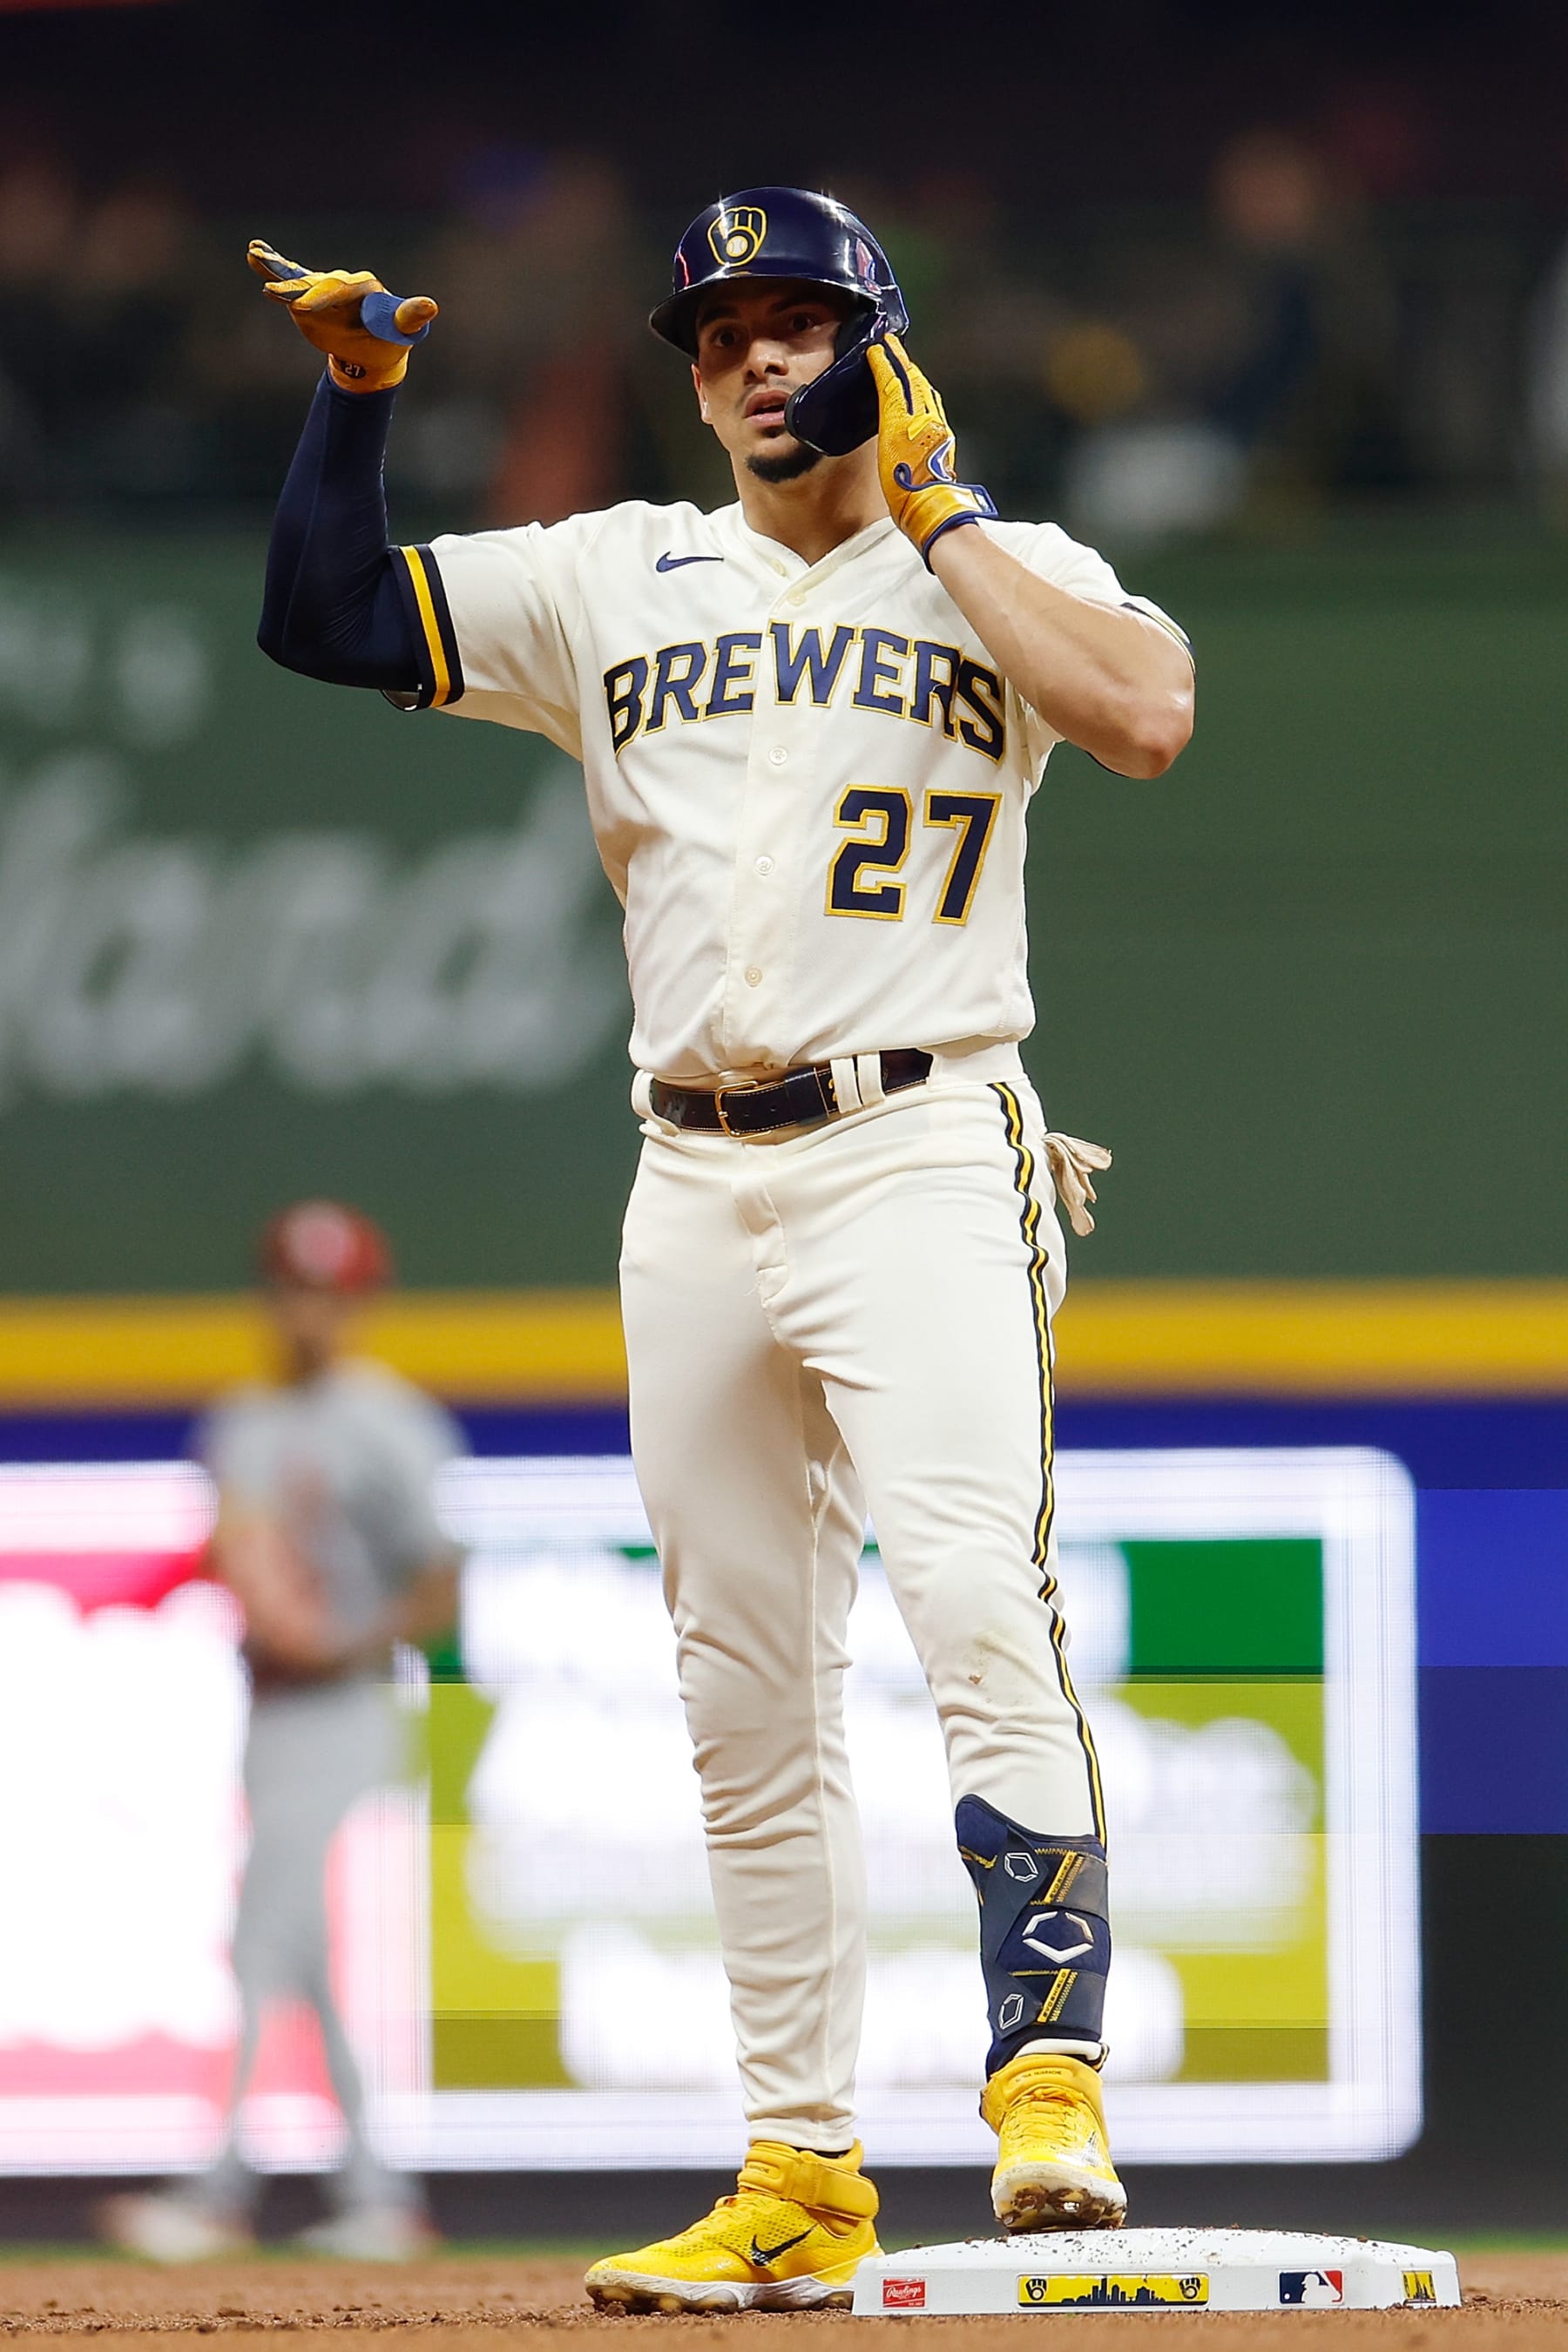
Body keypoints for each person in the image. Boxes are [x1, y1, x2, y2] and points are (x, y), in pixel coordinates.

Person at [244, 186, 1194, 2311]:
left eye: (798, 321)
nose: (756, 359)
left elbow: (1143, 717)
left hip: (924, 1137)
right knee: (740, 1682)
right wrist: (359, 397)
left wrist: (947, 523)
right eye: (718, 332)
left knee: (969, 1584)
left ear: (884, 341)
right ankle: (799, 2165)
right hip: (688, 1174)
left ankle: (1047, 2082)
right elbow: (323, 611)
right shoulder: (611, 573)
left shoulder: (997, 565)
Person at [102, 1200, 463, 2261]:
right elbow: (235, 1557)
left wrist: (341, 1641)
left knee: (264, 1941)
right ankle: (381, 2198)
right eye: (292, 1286)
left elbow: (439, 1583)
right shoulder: (241, 1422)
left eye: (329, 1289)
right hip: (267, 1714)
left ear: (357, 1301)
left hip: (347, 1711)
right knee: (299, 1958)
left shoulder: (389, 1420)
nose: (307, 1309)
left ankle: (216, 2194)